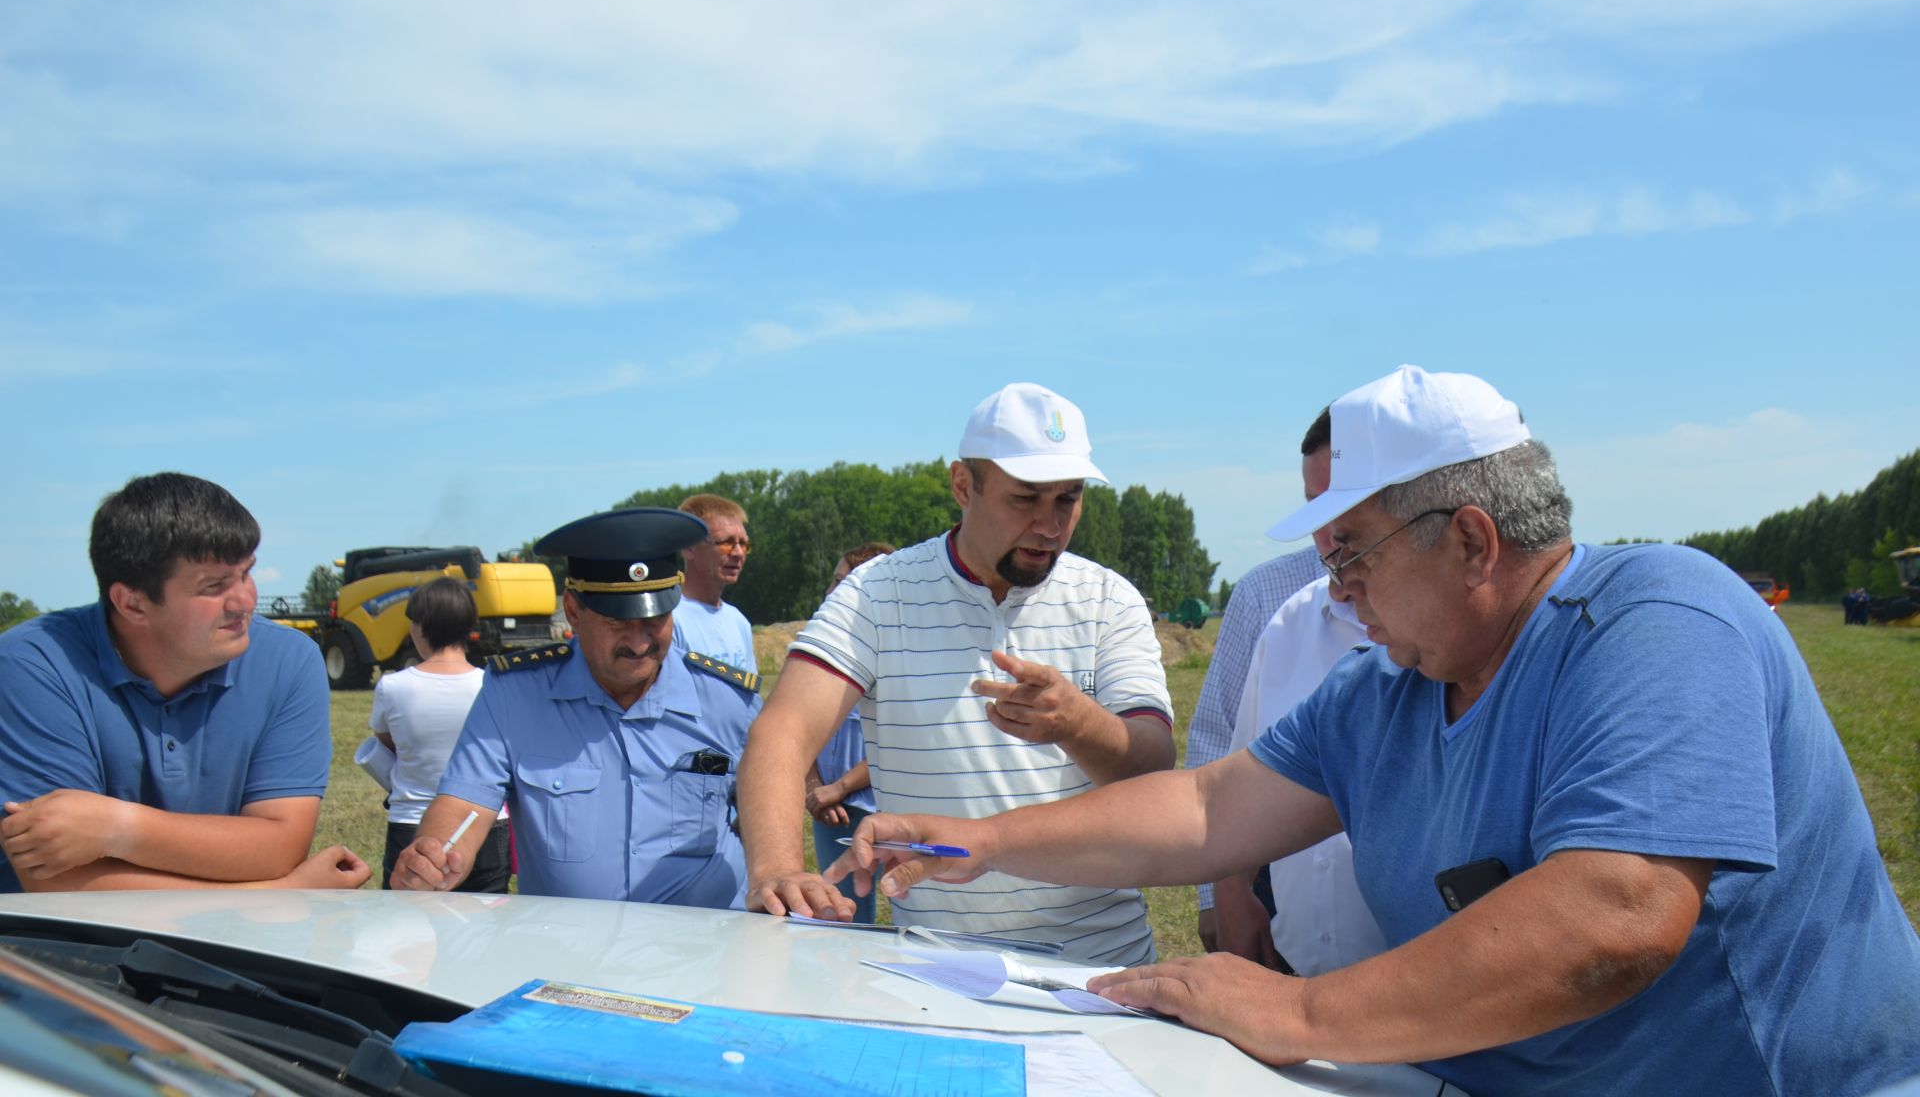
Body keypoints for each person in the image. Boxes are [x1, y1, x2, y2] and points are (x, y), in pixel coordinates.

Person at [844, 366, 1920, 1096]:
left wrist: (1300, 1016)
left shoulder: (1657, 613)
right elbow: (1211, 807)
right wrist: (980, 840)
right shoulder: (1390, 689)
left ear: (1472, 540)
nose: (1337, 592)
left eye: (1352, 554)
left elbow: (1618, 911)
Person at [740, 382, 1176, 966]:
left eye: (1067, 500)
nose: (1049, 525)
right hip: (939, 970)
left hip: (1102, 962)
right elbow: (784, 731)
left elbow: (1152, 764)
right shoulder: (879, 593)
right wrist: (775, 868)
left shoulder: (1108, 599)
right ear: (963, 485)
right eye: (1026, 499)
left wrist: (1078, 724)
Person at [0, 472, 369, 893]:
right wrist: (271, 896)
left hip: (225, 949)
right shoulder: (33, 664)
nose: (245, 601)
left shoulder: (289, 659)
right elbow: (56, 881)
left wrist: (118, 826)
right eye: (214, 586)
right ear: (132, 603)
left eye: (246, 573)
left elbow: (279, 845)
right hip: (57, 950)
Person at [390, 507, 761, 906]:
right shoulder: (515, 695)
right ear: (573, 612)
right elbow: (464, 802)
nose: (639, 642)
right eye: (618, 622)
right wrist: (436, 851)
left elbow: (770, 809)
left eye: (655, 620)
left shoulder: (730, 701)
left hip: (703, 953)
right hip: (572, 957)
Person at [1207, 409, 1387, 976]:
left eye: (1346, 510)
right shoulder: (1287, 617)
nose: (1330, 538)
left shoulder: (1473, 642)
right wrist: (1226, 895)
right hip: (1293, 965)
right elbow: (1225, 770)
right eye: (1316, 509)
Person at [1186, 457, 1324, 951]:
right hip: (1272, 890)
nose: (1329, 529)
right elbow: (1216, 739)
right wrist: (1214, 893)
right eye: (1316, 505)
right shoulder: (1268, 596)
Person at [369, 576, 511, 891]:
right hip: (484, 821)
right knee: (486, 928)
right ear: (469, 628)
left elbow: (386, 743)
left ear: (418, 627)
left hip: (411, 823)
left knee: (408, 929)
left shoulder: (392, 687)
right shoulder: (492, 685)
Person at [803, 541, 893, 925]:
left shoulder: (894, 654)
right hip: (829, 809)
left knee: (896, 902)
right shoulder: (817, 649)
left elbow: (896, 743)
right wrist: (815, 789)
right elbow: (799, 730)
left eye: (842, 581)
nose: (829, 592)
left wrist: (839, 788)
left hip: (880, 805)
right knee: (838, 911)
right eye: (832, 581)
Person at [666, 494, 757, 674]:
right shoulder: (669, 621)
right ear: (688, 548)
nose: (738, 553)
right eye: (726, 543)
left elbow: (751, 697)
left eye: (744, 544)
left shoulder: (739, 622)